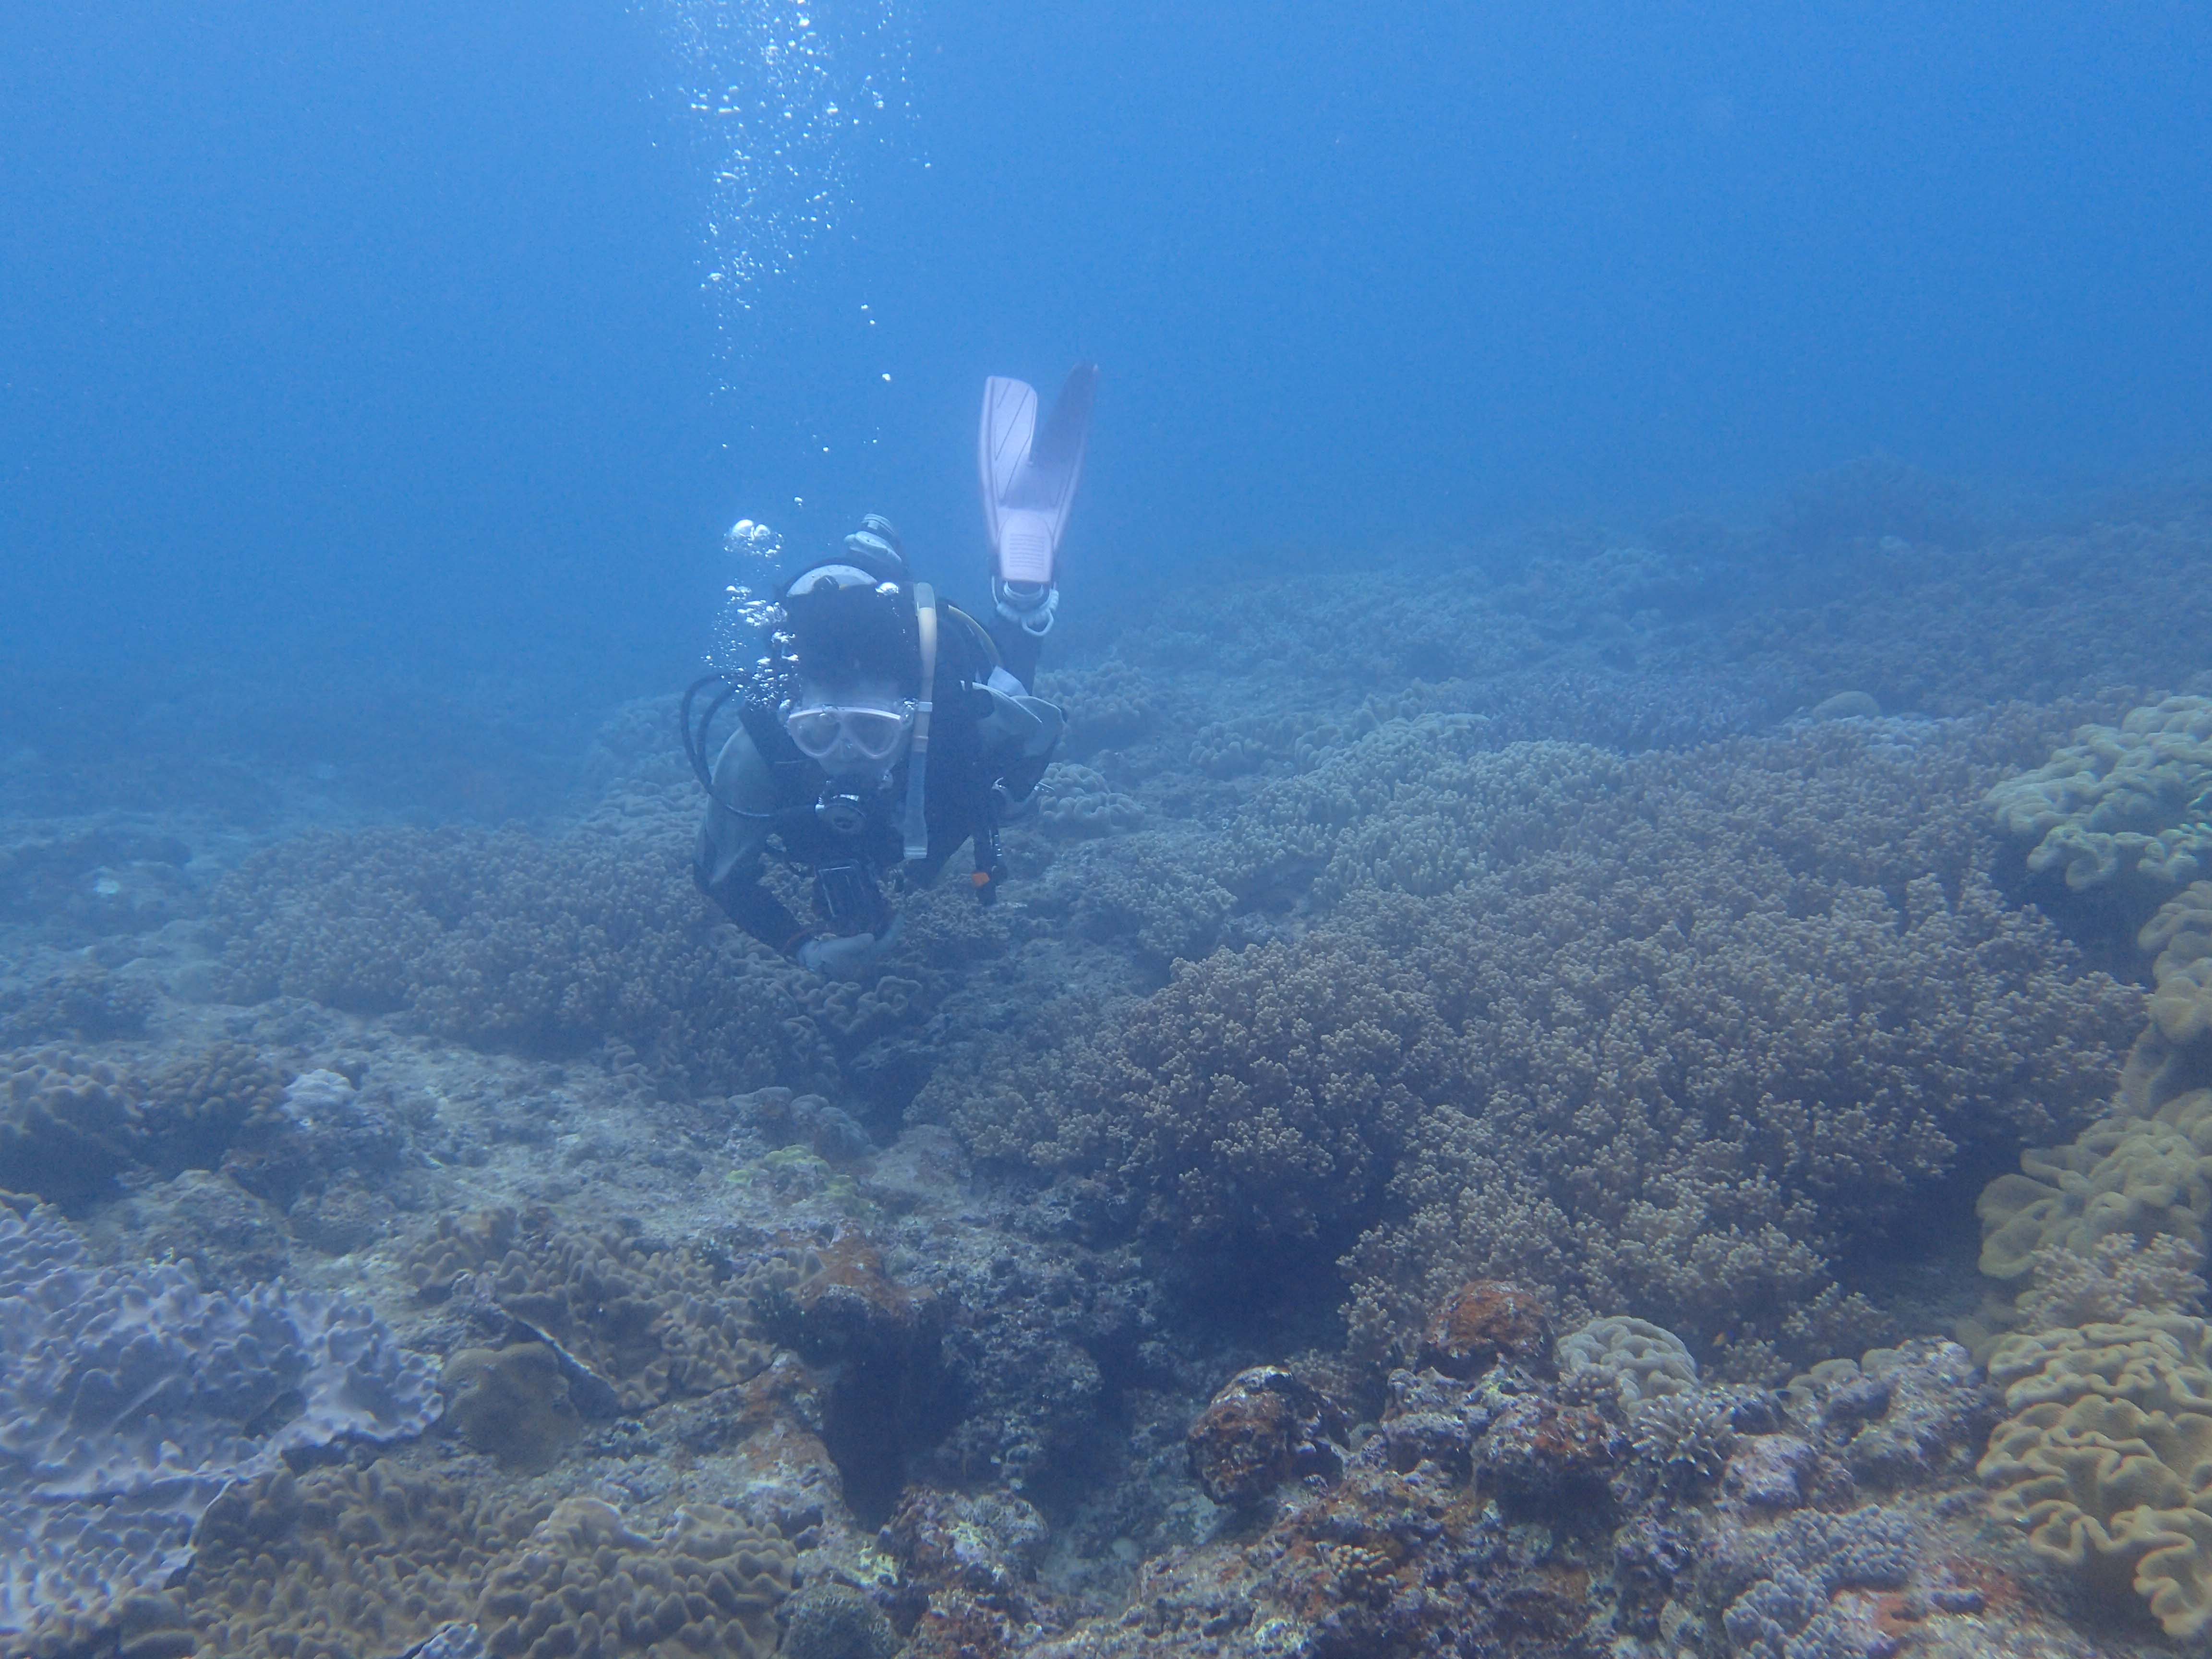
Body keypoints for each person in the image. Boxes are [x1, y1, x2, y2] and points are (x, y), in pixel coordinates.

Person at [688, 366, 1096, 977]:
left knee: (1010, 668)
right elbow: (718, 875)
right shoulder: (761, 748)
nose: (845, 752)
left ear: (910, 713)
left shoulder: (951, 709)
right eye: (817, 732)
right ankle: (881, 560)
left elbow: (1042, 728)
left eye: (873, 730)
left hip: (945, 708)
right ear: (791, 718)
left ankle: (1023, 603)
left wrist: (1008, 795)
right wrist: (805, 950)